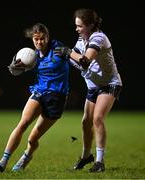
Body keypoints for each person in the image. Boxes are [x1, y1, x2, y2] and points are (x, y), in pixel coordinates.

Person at [0, 22, 72, 172]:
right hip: (39, 93)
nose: (39, 42)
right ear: (32, 39)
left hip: (56, 98)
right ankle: (3, 160)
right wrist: (14, 66)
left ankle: (26, 156)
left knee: (32, 139)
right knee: (22, 124)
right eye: (36, 39)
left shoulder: (58, 49)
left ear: (47, 37)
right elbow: (16, 71)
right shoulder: (32, 55)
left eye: (42, 39)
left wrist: (81, 59)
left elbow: (72, 55)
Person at [69, 8, 123, 172]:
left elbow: (84, 62)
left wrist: (67, 52)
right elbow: (75, 61)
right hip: (94, 86)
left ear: (91, 25)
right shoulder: (81, 41)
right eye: (76, 26)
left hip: (109, 84)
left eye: (80, 26)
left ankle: (99, 162)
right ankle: (86, 156)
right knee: (86, 121)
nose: (77, 29)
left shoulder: (98, 37)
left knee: (97, 119)